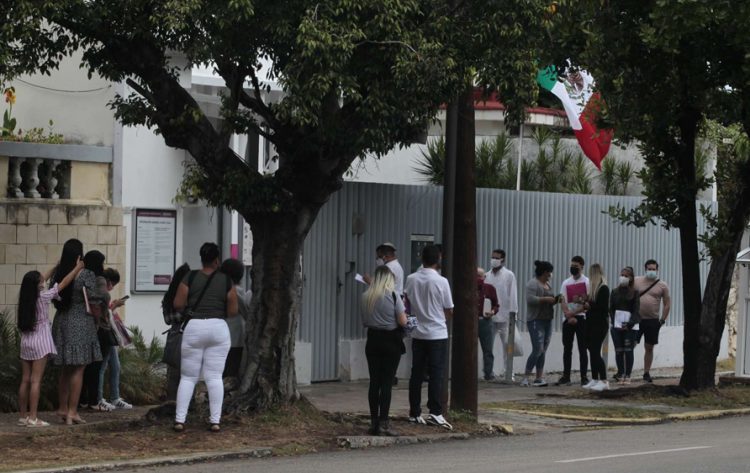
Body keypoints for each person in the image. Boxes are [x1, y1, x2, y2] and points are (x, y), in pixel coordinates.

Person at [172, 243, 238, 432]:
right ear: (217, 260)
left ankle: (180, 420)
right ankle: (215, 421)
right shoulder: (226, 281)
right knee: (215, 377)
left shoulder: (189, 277)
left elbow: (178, 303)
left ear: (201, 258)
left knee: (188, 377)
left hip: (194, 327)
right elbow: (233, 310)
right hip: (218, 328)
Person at [17, 258, 84, 427]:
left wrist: (55, 266)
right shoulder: (44, 296)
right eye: (41, 280)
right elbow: (63, 283)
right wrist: (77, 268)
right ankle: (33, 418)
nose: (44, 280)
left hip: (26, 342)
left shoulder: (26, 298)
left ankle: (23, 416)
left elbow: (41, 279)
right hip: (41, 342)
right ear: (38, 284)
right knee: (36, 381)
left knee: (25, 380)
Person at [51, 240, 103, 425]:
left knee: (65, 369)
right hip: (80, 321)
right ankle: (73, 411)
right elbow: (94, 298)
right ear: (79, 255)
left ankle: (62, 408)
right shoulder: (86, 274)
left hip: (61, 321)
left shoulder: (58, 273)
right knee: (79, 368)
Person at [405, 244, 454, 429]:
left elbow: (406, 302)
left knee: (416, 373)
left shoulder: (411, 279)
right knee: (436, 374)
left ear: (422, 259)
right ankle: (435, 411)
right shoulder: (441, 281)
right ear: (438, 259)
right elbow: (449, 308)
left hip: (417, 332)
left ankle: (414, 411)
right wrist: (442, 318)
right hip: (437, 332)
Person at [361, 266, 407, 436]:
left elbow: (365, 322)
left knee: (374, 381)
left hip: (372, 340)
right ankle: (384, 422)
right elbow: (403, 321)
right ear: (389, 280)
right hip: (390, 340)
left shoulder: (366, 297)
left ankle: (373, 422)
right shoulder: (394, 295)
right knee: (386, 383)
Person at [95, 268, 132, 411]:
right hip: (105, 334)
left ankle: (115, 397)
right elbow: (103, 314)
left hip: (110, 334)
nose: (112, 288)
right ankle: (99, 398)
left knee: (115, 366)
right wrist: (114, 306)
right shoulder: (102, 292)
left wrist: (113, 306)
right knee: (102, 367)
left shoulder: (103, 293)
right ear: (109, 282)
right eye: (113, 285)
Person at [78, 251, 110, 411]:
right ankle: (94, 400)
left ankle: (81, 399)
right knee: (97, 366)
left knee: (83, 366)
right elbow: (104, 296)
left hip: (83, 324)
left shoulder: (81, 277)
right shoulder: (99, 279)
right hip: (99, 327)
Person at [521, 260, 558, 387]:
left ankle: (539, 377)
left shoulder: (548, 284)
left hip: (548, 320)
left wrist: (555, 300)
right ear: (545, 272)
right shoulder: (533, 283)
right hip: (536, 320)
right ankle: (525, 377)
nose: (551, 275)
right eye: (549, 272)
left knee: (543, 350)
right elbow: (530, 299)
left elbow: (550, 299)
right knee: (538, 349)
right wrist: (546, 299)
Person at [634, 259, 671, 383]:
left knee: (649, 347)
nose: (651, 271)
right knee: (630, 345)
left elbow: (667, 303)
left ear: (657, 270)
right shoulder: (636, 281)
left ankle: (646, 372)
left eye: (653, 269)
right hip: (637, 320)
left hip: (652, 321)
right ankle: (624, 372)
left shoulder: (662, 285)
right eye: (649, 269)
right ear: (645, 269)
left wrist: (662, 320)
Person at [483, 249, 518, 380]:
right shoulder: (487, 276)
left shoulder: (509, 275)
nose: (493, 260)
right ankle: (488, 372)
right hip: (490, 316)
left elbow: (513, 295)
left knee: (507, 347)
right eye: (492, 257)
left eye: (496, 258)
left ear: (502, 260)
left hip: (505, 316)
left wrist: (514, 314)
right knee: (488, 347)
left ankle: (509, 372)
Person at [161, 263, 192, 402]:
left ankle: (172, 402)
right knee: (189, 373)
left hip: (174, 335)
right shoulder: (189, 296)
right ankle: (187, 403)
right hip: (188, 335)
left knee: (173, 372)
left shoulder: (168, 297)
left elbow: (167, 320)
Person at [557, 255, 590, 386]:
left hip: (582, 318)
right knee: (567, 348)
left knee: (583, 348)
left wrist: (574, 313)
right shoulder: (566, 282)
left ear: (582, 267)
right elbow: (562, 299)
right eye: (571, 266)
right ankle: (566, 375)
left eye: (575, 266)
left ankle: (583, 376)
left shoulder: (587, 282)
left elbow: (587, 302)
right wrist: (568, 315)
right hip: (568, 319)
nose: (573, 268)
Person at [219, 258, 251, 378]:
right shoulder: (238, 292)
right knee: (232, 371)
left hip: (224, 337)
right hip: (236, 338)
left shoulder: (224, 290)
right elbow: (247, 314)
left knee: (224, 371)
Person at [582, 264, 610, 391]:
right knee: (591, 350)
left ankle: (604, 380)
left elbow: (603, 308)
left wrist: (590, 305)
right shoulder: (593, 289)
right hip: (591, 323)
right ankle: (594, 378)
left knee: (595, 351)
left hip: (599, 324)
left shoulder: (603, 288)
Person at [610, 266, 641, 384]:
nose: (623, 277)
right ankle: (621, 373)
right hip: (617, 327)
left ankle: (628, 375)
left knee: (628, 350)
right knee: (619, 351)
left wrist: (629, 324)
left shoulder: (634, 293)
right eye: (622, 275)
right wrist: (615, 322)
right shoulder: (614, 292)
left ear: (631, 278)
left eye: (626, 276)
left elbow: (636, 310)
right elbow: (611, 309)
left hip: (630, 327)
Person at [476, 268, 499, 381]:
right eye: (476, 276)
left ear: (484, 277)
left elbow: (496, 304)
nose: (478, 279)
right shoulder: (467, 288)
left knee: (488, 349)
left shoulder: (489, 289)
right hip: (472, 321)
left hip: (485, 320)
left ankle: (488, 373)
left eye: (480, 276)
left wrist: (493, 311)